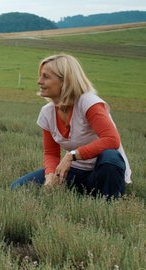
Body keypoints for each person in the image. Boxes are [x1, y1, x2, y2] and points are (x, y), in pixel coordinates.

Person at [10, 53, 131, 199]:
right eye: (40, 76)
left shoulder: (89, 103)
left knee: (110, 157)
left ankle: (110, 201)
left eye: (46, 77)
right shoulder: (47, 112)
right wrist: (50, 176)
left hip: (101, 172)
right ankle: (81, 194)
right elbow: (51, 153)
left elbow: (112, 139)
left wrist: (71, 156)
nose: (39, 81)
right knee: (17, 188)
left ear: (65, 81)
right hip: (74, 172)